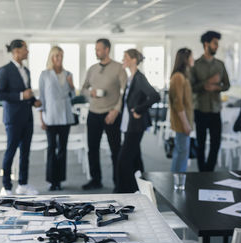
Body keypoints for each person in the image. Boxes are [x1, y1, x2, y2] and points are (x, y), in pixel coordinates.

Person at [0, 39, 42, 195]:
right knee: (11, 151)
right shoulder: (4, 70)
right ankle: (6, 187)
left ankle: (23, 184)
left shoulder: (26, 70)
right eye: (25, 49)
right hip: (13, 119)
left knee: (25, 153)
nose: (27, 51)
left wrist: (34, 101)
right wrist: (22, 95)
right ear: (16, 51)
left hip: (27, 117)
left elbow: (27, 92)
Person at [81, 38, 127, 190]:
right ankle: (95, 179)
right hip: (93, 113)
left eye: (99, 49)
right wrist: (90, 92)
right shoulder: (92, 68)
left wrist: (116, 110)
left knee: (115, 150)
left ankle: (118, 181)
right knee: (92, 148)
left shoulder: (119, 68)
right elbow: (83, 89)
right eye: (95, 49)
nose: (96, 51)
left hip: (111, 113)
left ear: (107, 50)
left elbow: (124, 92)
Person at [114, 49, 160, 193]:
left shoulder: (139, 78)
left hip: (136, 125)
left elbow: (154, 96)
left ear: (134, 60)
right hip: (129, 124)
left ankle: (123, 191)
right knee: (135, 158)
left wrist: (139, 110)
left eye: (125, 57)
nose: (123, 59)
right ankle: (140, 188)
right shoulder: (131, 77)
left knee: (123, 160)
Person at [190, 31, 230, 172]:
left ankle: (209, 170)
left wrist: (216, 87)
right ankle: (202, 171)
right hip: (200, 109)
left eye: (217, 44)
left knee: (216, 143)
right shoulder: (195, 64)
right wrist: (206, 84)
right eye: (215, 44)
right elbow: (191, 87)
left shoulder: (220, 64)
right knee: (201, 144)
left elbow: (227, 85)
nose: (217, 47)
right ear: (206, 44)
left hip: (215, 109)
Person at [39, 46, 75, 191]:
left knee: (62, 149)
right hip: (51, 117)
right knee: (51, 148)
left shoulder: (68, 73)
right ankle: (52, 180)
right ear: (51, 57)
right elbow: (41, 98)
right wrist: (41, 119)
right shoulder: (45, 74)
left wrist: (72, 85)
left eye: (60, 56)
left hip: (65, 116)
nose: (58, 59)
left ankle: (59, 180)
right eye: (56, 56)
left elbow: (73, 97)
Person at [169, 48, 194, 172]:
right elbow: (178, 103)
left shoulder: (183, 76)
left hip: (185, 120)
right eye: (191, 57)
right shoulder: (178, 77)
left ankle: (178, 178)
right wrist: (185, 124)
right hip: (181, 122)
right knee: (181, 153)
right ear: (185, 59)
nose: (192, 59)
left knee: (182, 151)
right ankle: (177, 180)